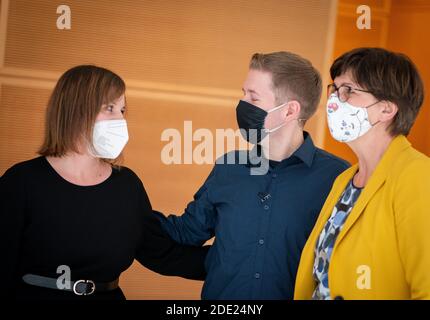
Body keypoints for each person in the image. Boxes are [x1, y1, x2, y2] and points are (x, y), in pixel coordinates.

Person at [0, 65, 208, 300]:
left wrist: (243, 262)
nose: (120, 119)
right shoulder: (21, 182)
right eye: (110, 108)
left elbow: (163, 254)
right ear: (77, 109)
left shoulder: (127, 185)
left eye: (122, 110)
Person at [154, 51, 350, 299]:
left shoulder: (337, 178)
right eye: (243, 93)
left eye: (253, 97)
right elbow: (186, 232)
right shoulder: (228, 167)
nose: (242, 104)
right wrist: (126, 209)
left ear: (289, 111)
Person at [294, 47, 430, 300]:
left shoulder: (418, 176)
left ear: (387, 109)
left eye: (349, 90)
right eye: (334, 89)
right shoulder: (344, 180)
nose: (334, 100)